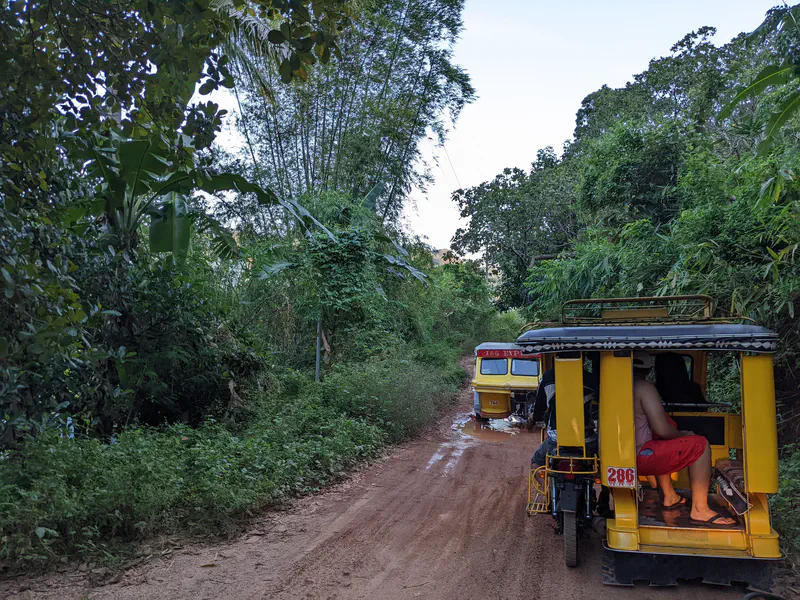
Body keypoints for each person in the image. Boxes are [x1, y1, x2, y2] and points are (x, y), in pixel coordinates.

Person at [633, 350, 734, 526]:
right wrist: (684, 435)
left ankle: (670, 495)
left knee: (662, 435)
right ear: (649, 368)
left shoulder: (612, 386)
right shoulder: (643, 387)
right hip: (641, 457)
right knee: (700, 445)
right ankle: (700, 509)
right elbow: (663, 430)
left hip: (616, 457)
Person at [530, 367, 597, 469]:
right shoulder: (591, 378)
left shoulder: (547, 377)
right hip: (587, 439)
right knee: (603, 464)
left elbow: (538, 412)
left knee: (536, 463)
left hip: (556, 439)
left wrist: (534, 419)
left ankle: (545, 486)